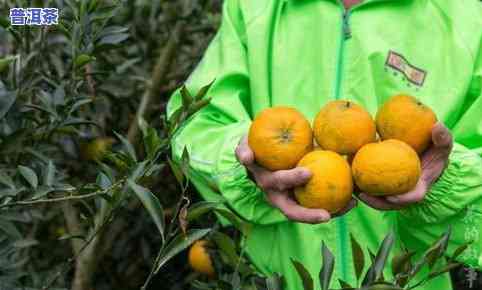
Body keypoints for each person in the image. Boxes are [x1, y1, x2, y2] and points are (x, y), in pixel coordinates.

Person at [167, 0, 482, 289]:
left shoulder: (468, 17)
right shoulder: (253, 7)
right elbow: (192, 126)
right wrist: (244, 164)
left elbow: (475, 234)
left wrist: (443, 183)